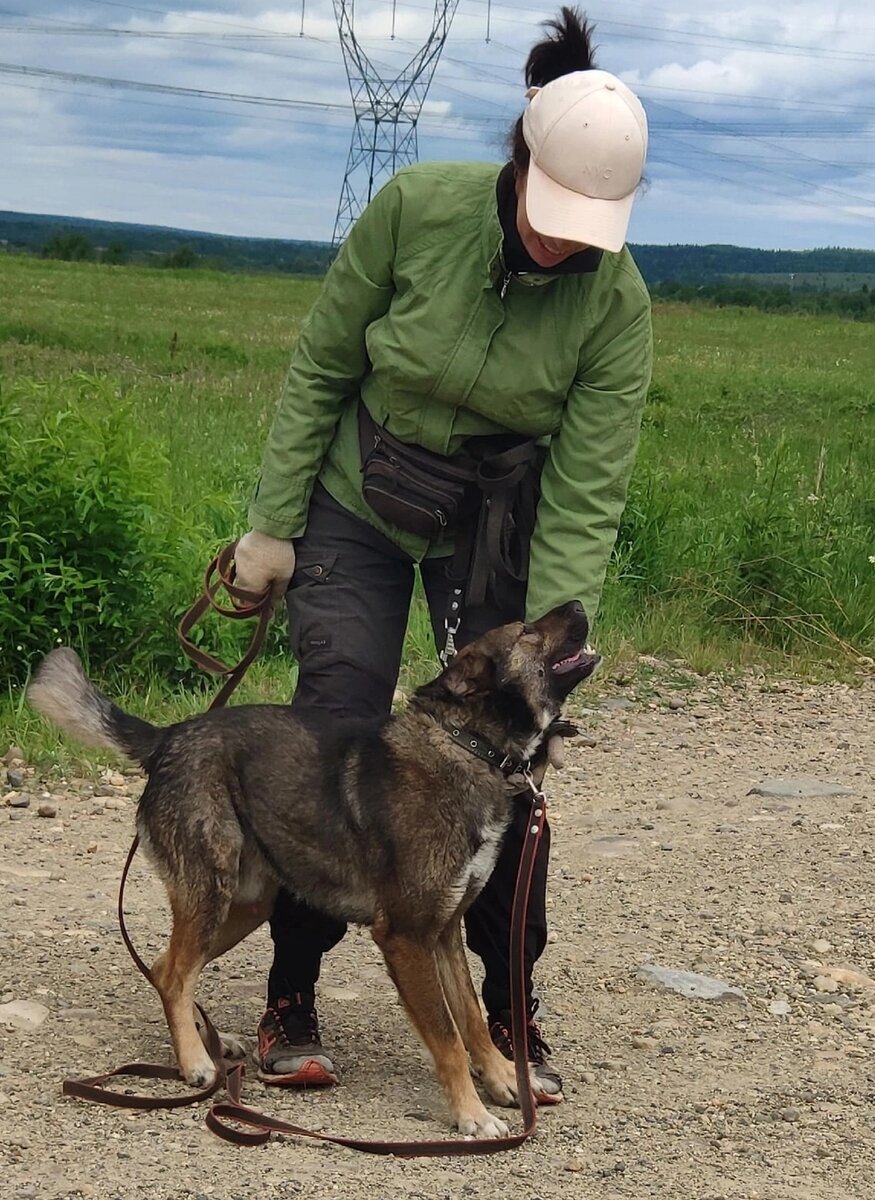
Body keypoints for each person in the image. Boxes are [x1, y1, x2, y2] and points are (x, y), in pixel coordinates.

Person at [233, 5, 652, 1102]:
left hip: (486, 531)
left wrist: (553, 653)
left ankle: (510, 1010)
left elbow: (587, 486)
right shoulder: (416, 207)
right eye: (548, 215)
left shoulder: (616, 305)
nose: (559, 243)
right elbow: (323, 365)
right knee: (332, 725)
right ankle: (291, 992)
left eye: (583, 228)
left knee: (506, 764)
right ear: (520, 162)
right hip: (354, 506)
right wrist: (271, 527)